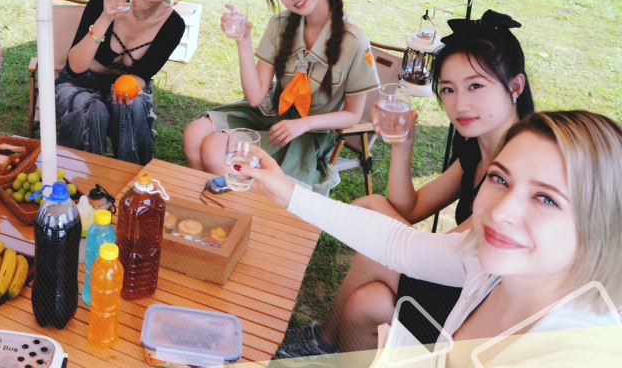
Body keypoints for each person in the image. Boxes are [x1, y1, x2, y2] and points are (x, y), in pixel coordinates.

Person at [245, 110, 622, 366]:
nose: (502, 211)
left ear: (600, 224)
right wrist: (288, 194)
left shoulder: (581, 354)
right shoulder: (490, 266)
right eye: (500, 178)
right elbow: (399, 245)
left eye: (546, 198)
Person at [276, 10, 535, 358]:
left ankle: (321, 340)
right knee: (367, 305)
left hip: (482, 308)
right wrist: (403, 146)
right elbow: (409, 209)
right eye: (448, 89)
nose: (460, 104)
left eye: (476, 85)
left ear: (515, 86)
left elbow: (441, 254)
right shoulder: (478, 148)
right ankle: (326, 341)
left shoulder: (523, 162)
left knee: (376, 221)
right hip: (457, 278)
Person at [183, 0, 379, 196]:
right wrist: (243, 41)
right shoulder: (280, 24)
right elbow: (255, 97)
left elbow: (353, 115)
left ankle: (237, 211)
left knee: (214, 149)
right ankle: (209, 204)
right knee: (194, 132)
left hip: (309, 131)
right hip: (271, 113)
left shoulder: (353, 41)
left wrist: (303, 125)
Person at [56, 0, 196, 165]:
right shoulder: (103, 0)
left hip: (122, 87)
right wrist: (105, 17)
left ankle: (132, 184)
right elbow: (75, 67)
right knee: (95, 111)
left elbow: (141, 76)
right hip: (79, 83)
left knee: (134, 105)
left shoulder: (173, 26)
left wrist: (130, 89)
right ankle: (85, 181)